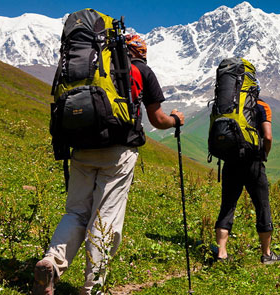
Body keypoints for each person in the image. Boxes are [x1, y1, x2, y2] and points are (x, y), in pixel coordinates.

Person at [33, 34, 184, 295]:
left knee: (75, 213)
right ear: (142, 52)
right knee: (105, 219)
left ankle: (52, 263)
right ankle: (92, 287)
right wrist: (175, 120)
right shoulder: (140, 70)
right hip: (117, 151)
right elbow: (158, 119)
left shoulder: (91, 67)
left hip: (81, 148)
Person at [214, 94, 280, 265]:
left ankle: (221, 253)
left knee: (227, 206)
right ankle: (266, 254)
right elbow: (267, 137)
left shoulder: (228, 105)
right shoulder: (261, 105)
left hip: (230, 161)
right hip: (253, 162)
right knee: (262, 206)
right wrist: (264, 154)